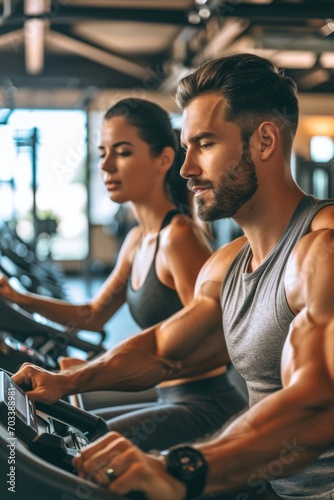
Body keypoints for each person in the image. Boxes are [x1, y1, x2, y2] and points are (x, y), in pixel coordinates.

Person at [9, 53, 334, 499]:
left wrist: (181, 467)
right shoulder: (227, 264)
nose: (187, 169)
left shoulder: (323, 248)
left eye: (205, 144)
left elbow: (319, 405)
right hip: (264, 485)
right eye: (187, 147)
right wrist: (70, 381)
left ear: (263, 142)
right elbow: (163, 351)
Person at [0, 97, 246, 453]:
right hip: (169, 397)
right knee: (68, 437)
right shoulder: (136, 239)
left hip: (209, 405)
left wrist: (99, 370)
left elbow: (223, 344)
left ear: (164, 159)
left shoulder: (178, 238)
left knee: (85, 452)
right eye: (102, 153)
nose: (106, 165)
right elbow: (93, 315)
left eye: (123, 152)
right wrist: (15, 297)